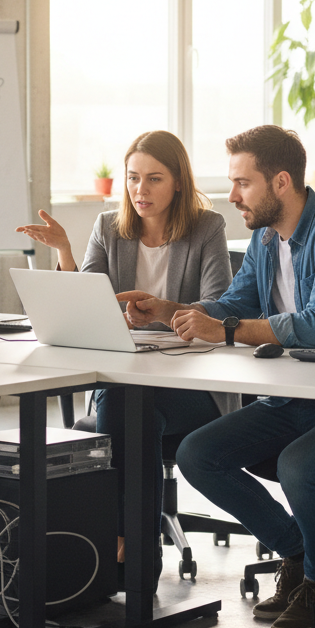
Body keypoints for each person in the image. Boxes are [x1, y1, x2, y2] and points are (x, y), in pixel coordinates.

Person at [118, 125, 315, 628]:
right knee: (197, 454)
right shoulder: (265, 237)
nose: (231, 196)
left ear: (280, 182)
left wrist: (225, 329)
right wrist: (172, 311)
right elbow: (236, 304)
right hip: (296, 396)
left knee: (300, 465)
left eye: (242, 184)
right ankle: (298, 552)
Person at [16, 130, 236, 581]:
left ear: (178, 182)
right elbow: (87, 302)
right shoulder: (108, 228)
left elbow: (220, 305)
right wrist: (63, 252)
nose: (141, 190)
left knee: (125, 408)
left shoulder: (206, 228)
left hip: (191, 385)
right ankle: (136, 554)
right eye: (133, 178)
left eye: (154, 179)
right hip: (127, 378)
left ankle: (125, 547)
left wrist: (163, 312)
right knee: (124, 404)